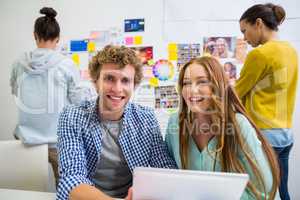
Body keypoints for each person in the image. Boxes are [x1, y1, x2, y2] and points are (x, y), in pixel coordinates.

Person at [57, 45, 177, 200]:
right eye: (109, 78)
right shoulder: (72, 116)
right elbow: (71, 179)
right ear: (95, 82)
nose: (117, 88)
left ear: (134, 86)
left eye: (125, 80)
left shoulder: (146, 118)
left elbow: (164, 167)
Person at [165, 56, 280, 199]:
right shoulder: (175, 123)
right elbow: (169, 176)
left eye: (202, 82)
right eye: (186, 83)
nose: (191, 90)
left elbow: (264, 187)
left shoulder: (238, 124)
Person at [9, 7, 87, 186]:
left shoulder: (18, 63)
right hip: (58, 142)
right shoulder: (66, 65)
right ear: (58, 39)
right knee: (68, 188)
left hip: (25, 141)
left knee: (26, 190)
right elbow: (79, 102)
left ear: (35, 35)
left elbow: (15, 92)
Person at [235, 3, 298, 200]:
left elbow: (236, 93)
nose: (244, 38)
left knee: (263, 194)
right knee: (282, 191)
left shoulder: (259, 54)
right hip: (285, 134)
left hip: (263, 136)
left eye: (245, 31)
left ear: (259, 23)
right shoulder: (291, 50)